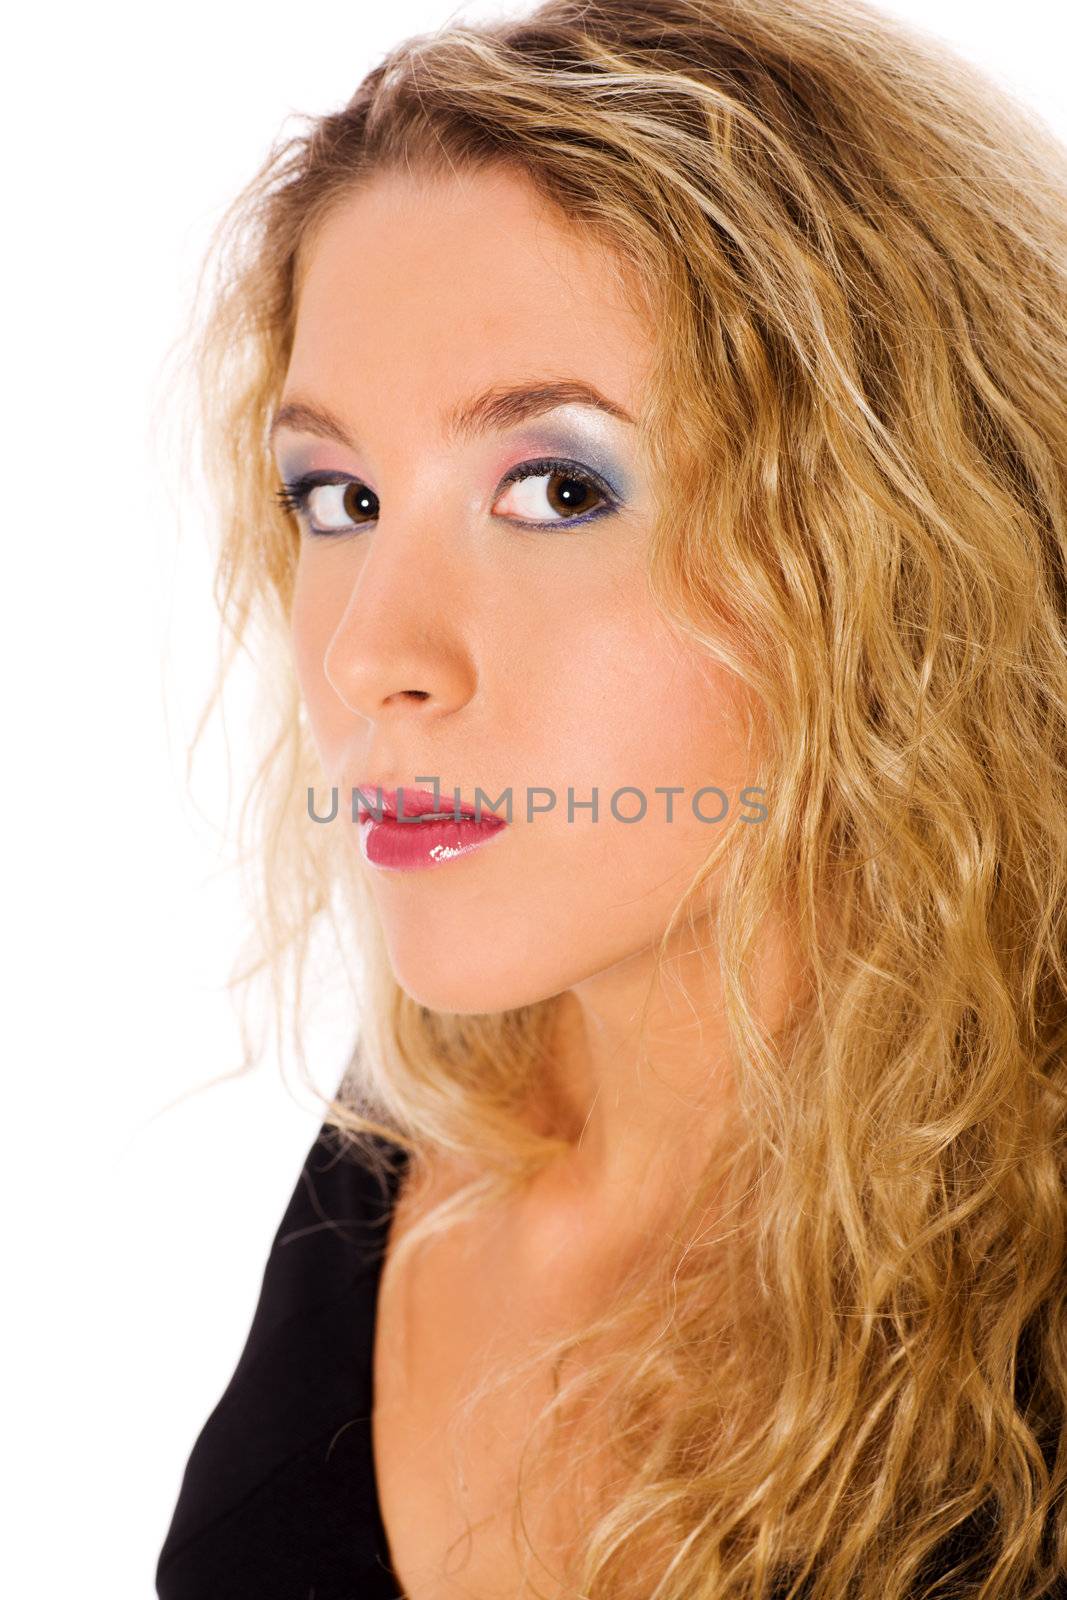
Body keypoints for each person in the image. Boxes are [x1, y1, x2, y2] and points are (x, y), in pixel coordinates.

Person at [154, 0, 1067, 1595]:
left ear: (907, 551)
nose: (376, 653)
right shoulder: (396, 1146)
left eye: (559, 488)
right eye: (340, 498)